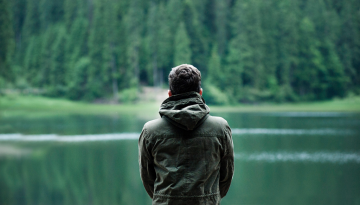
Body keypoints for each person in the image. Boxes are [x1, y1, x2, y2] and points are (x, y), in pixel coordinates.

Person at [138, 64, 234, 205]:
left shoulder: (150, 131)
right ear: (200, 93)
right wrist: (211, 199)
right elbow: (226, 175)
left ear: (170, 94)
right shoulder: (220, 128)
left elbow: (147, 178)